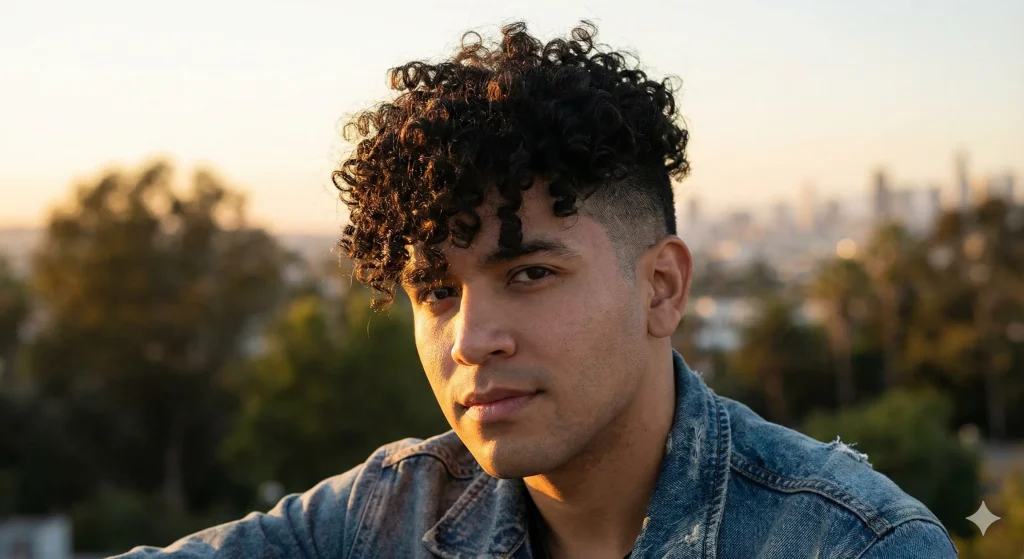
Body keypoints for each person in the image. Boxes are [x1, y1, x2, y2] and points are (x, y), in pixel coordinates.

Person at [114, 21, 957, 559]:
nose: (473, 338)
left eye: (529, 273)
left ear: (662, 287)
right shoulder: (386, 516)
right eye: (436, 290)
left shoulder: (851, 544)